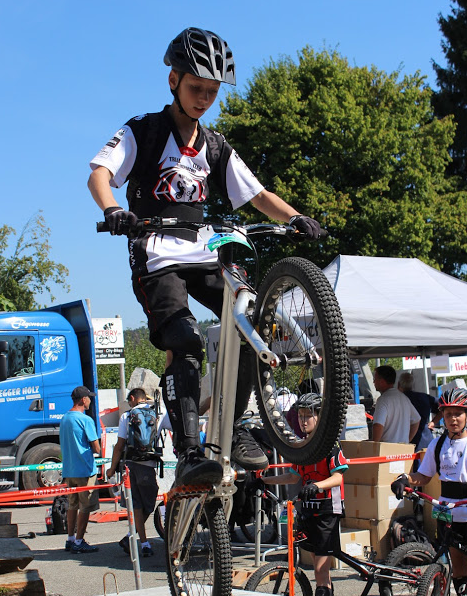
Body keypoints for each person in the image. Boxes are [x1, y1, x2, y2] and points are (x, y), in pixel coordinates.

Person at [88, 27, 327, 488]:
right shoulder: (144, 131)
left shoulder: (214, 146)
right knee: (186, 340)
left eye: (212, 92)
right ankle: (189, 452)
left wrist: (296, 217)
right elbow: (100, 173)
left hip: (202, 253)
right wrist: (113, 209)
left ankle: (234, 428)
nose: (203, 99)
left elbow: (257, 194)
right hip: (156, 256)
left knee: (251, 323)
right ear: (173, 80)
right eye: (196, 88)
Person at [391, 388, 467, 596]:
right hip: (447, 511)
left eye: (458, 414)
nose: (453, 419)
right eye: (448, 414)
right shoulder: (438, 444)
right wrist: (404, 479)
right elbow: (423, 476)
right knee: (459, 569)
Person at [261, 393, 348, 596]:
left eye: (308, 415)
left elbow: (338, 477)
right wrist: (264, 481)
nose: (303, 420)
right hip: (308, 511)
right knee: (313, 562)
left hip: (327, 511)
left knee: (320, 569)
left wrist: (317, 486)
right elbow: (293, 476)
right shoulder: (303, 447)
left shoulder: (330, 446)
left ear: (320, 417)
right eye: (300, 415)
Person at [106, 388, 159, 557]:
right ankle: (142, 542)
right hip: (148, 465)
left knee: (136, 504)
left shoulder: (127, 416)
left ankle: (137, 540)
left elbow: (119, 445)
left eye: (129, 401)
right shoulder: (156, 414)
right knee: (149, 505)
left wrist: (112, 468)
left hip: (131, 464)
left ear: (133, 398)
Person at [59, 386, 101, 554]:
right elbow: (96, 448)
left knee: (72, 505)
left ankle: (70, 538)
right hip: (85, 470)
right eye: (89, 398)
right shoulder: (85, 420)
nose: (90, 400)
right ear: (83, 400)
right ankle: (79, 540)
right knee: (85, 506)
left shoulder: (64, 418)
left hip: (69, 470)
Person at [372, 365, 420, 444]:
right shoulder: (404, 398)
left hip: (387, 448)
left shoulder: (383, 400)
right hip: (403, 449)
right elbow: (416, 420)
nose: (374, 382)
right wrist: (407, 440)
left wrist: (374, 445)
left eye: (375, 379)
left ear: (382, 381)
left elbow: (378, 425)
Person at [397, 371, 440, 450]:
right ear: (412, 385)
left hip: (404, 440)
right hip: (425, 440)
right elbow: (443, 407)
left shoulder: (397, 400)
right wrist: (433, 422)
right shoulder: (424, 397)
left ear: (398, 384)